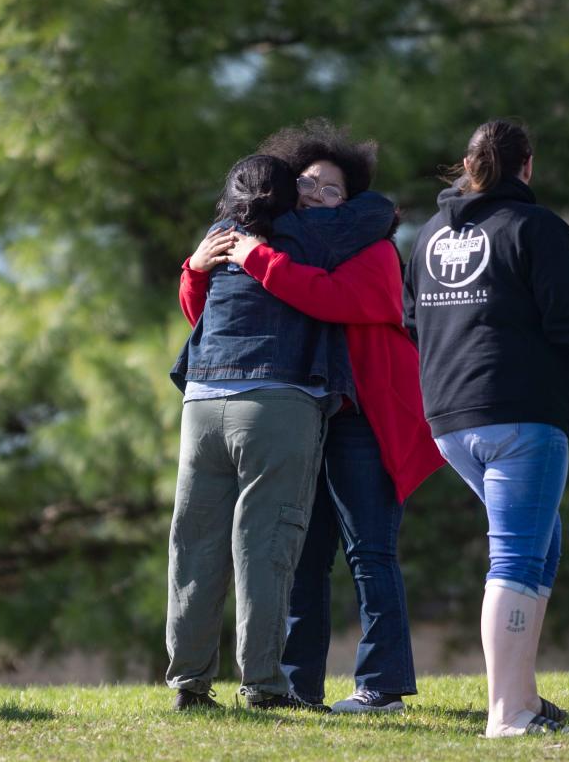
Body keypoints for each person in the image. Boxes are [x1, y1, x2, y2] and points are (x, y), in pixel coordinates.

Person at [183, 121, 444, 714]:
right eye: (307, 183)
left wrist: (258, 262)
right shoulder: (269, 242)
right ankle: (297, 685)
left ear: (350, 202)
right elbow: (215, 321)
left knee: (369, 550)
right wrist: (196, 267)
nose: (316, 194)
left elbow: (337, 299)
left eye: (332, 189)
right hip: (297, 409)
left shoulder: (373, 250)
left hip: (361, 413)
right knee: (301, 555)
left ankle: (382, 686)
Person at [403, 119, 569, 737]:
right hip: (520, 416)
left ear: (467, 168)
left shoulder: (428, 236)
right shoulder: (535, 228)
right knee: (517, 555)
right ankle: (508, 713)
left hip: (449, 419)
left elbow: (414, 324)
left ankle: (522, 695)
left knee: (539, 544)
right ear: (528, 166)